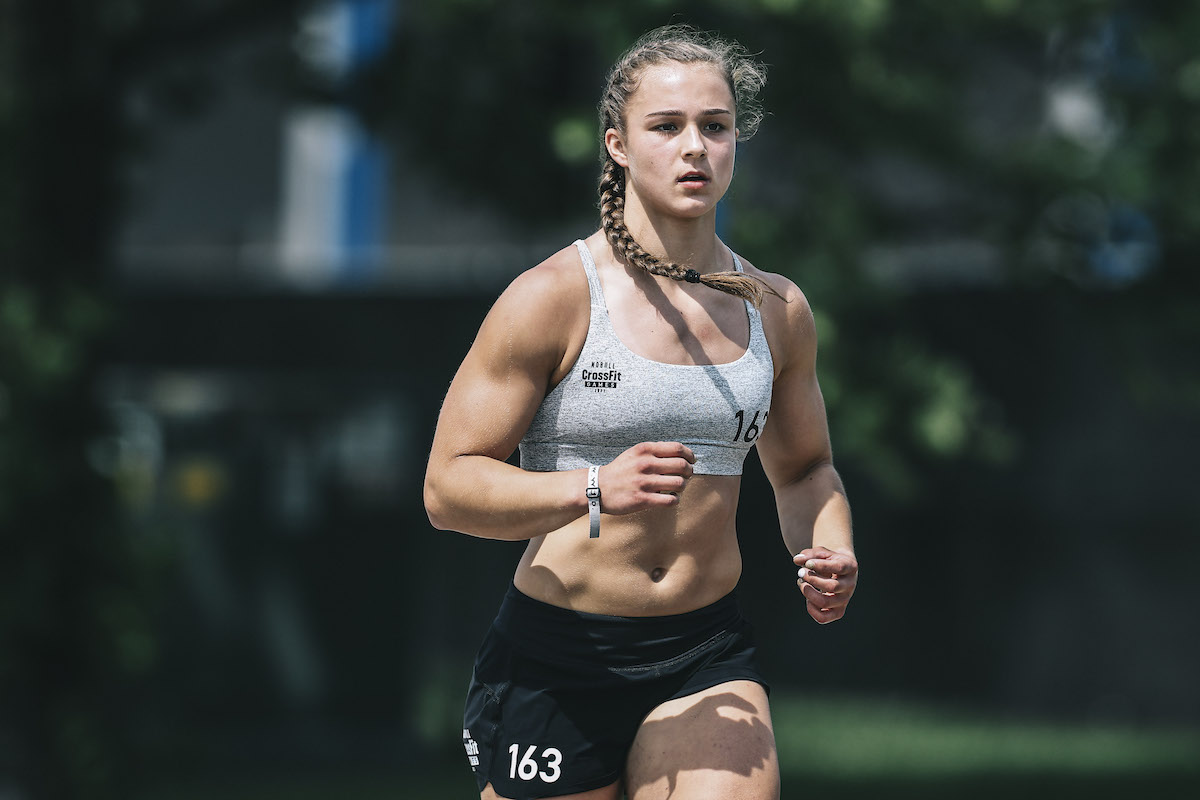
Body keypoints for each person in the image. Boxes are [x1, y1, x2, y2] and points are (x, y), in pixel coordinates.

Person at [424, 24, 858, 800]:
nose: (695, 147)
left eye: (715, 127)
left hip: (704, 654)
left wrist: (829, 545)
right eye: (667, 127)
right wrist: (591, 489)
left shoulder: (778, 309)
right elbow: (448, 490)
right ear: (618, 144)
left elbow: (804, 468)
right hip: (562, 653)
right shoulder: (553, 297)